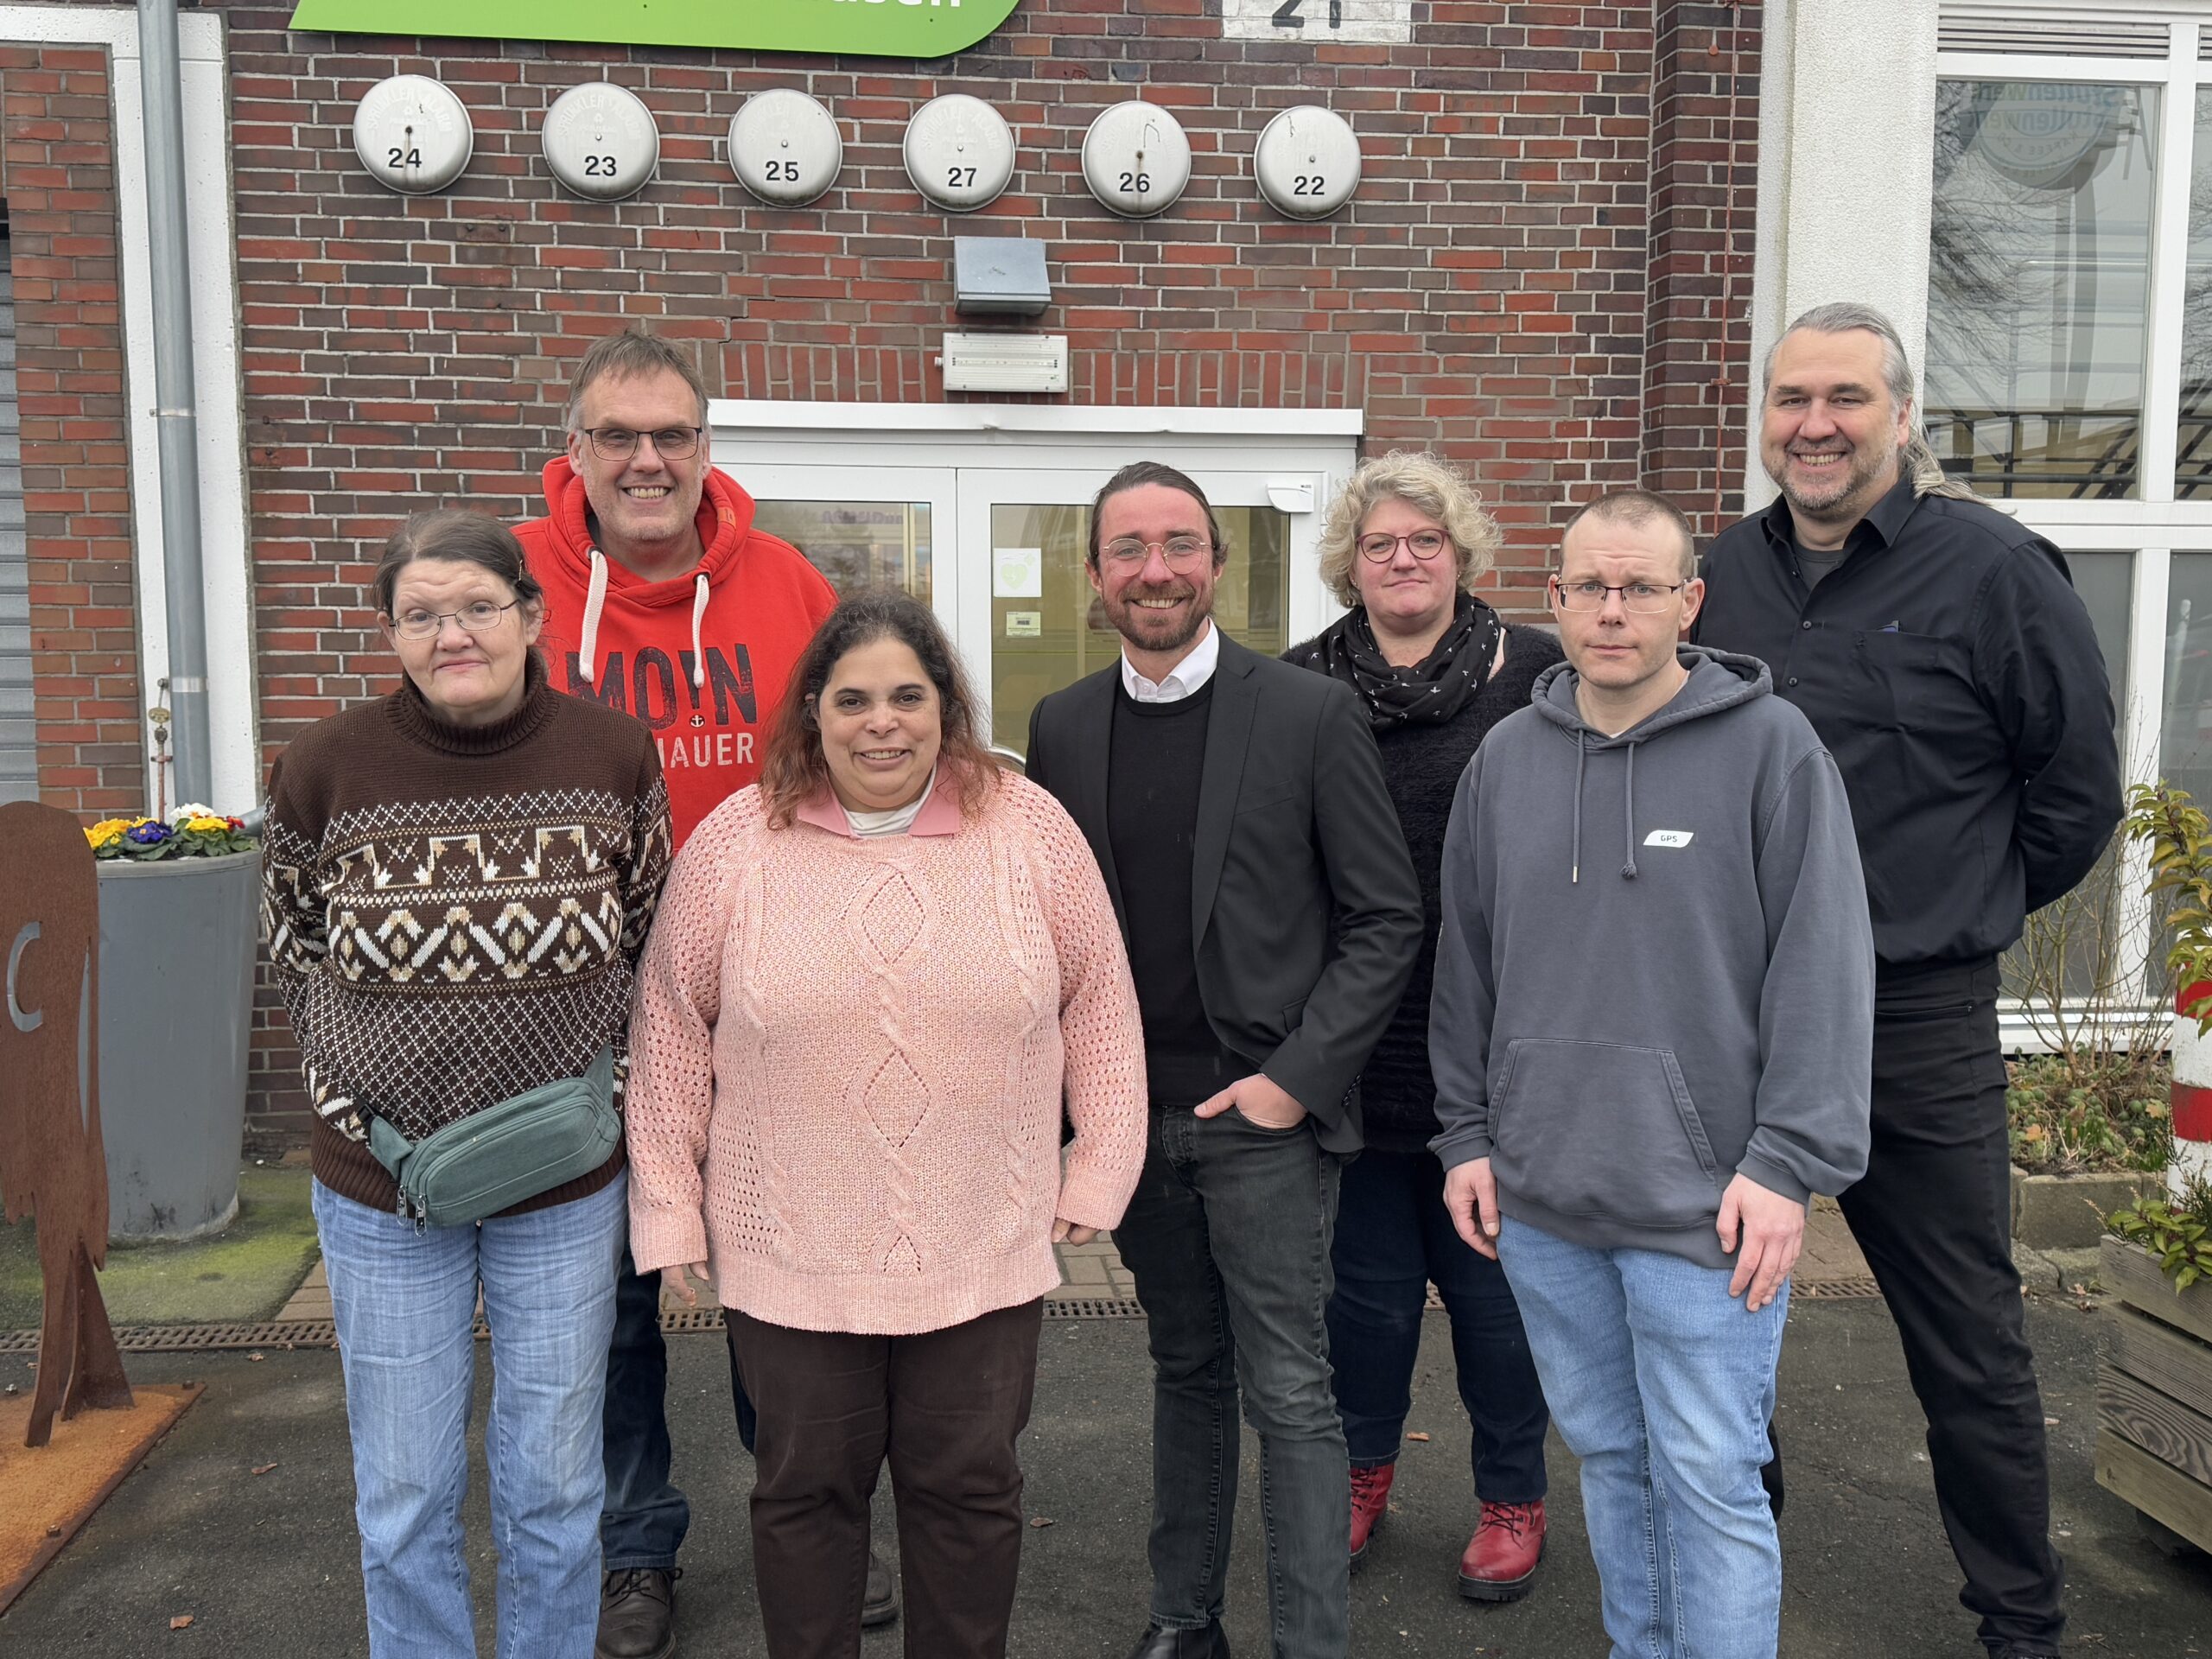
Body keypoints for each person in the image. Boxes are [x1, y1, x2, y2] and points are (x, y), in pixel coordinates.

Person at [1694, 302, 2124, 1659]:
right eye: (1790, 400)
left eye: (1845, 399)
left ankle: (2019, 1622)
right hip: (1738, 1018)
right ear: (1765, 419)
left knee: (1969, 1344)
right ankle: (1733, 1606)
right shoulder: (1718, 575)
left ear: (1900, 414)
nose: (1814, 426)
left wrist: (1963, 906)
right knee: (1719, 1338)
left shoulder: (1997, 573)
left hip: (1914, 1014)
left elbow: (2073, 797)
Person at [623, 589, 1148, 1659]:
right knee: (805, 1496)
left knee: (968, 1494)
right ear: (812, 711)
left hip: (981, 1239)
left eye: (908, 696)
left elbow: (1099, 1001)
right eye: (853, 698)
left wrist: (1101, 1164)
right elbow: (669, 1032)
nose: (882, 723)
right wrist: (670, 1213)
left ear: (945, 707)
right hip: (792, 1252)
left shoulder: (1028, 826)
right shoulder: (737, 839)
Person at [1433, 489, 1874, 1659]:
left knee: (1710, 1481)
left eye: (1640, 588)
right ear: (1557, 599)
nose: (1612, 610)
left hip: (1713, 1207)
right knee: (1615, 1466)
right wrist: (1467, 1138)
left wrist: (1788, 1163)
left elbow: (1824, 967)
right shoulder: (1505, 761)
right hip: (1545, 1201)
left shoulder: (1772, 750)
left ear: (1690, 601)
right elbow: (1466, 968)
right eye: (1589, 587)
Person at [1027, 461, 1424, 1659]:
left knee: (1292, 1391)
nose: (1157, 569)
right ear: (1095, 576)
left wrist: (1294, 1081)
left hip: (1260, 1120)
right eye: (1130, 548)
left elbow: (1385, 917)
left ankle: (1311, 1641)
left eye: (1181, 544)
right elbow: (1048, 934)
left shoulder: (1306, 713)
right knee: (1185, 1367)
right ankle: (1182, 1622)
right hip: (1131, 1123)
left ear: (1216, 565)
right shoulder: (1061, 725)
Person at [262, 511, 675, 1658]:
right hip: (382, 1192)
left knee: (551, 1492)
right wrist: (358, 1115)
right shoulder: (322, 768)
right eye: (421, 614)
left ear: (532, 616)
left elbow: (654, 949)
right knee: (405, 1498)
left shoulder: (614, 755)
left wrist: (610, 1103)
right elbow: (293, 957)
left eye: (478, 607)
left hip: (561, 1187)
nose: (453, 634)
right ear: (388, 632)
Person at [514, 325, 845, 1658]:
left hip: (762, 1009)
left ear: (707, 449)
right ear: (576, 453)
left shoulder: (789, 586)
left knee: (782, 1296)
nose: (647, 460)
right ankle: (634, 1552)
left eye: (673, 436)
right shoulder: (514, 586)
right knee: (613, 1311)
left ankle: (809, 1526)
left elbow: (851, 774)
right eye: (618, 436)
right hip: (571, 1022)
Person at [1281, 452, 1559, 1600]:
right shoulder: (1297, 686)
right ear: (1349, 562)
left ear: (1462, 555)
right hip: (1356, 1050)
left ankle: (1512, 1497)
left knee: (1498, 1309)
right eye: (1382, 544)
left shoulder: (1538, 673)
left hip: (1499, 1057)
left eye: (1426, 542)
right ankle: (1361, 1472)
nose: (1403, 560)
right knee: (1367, 1304)